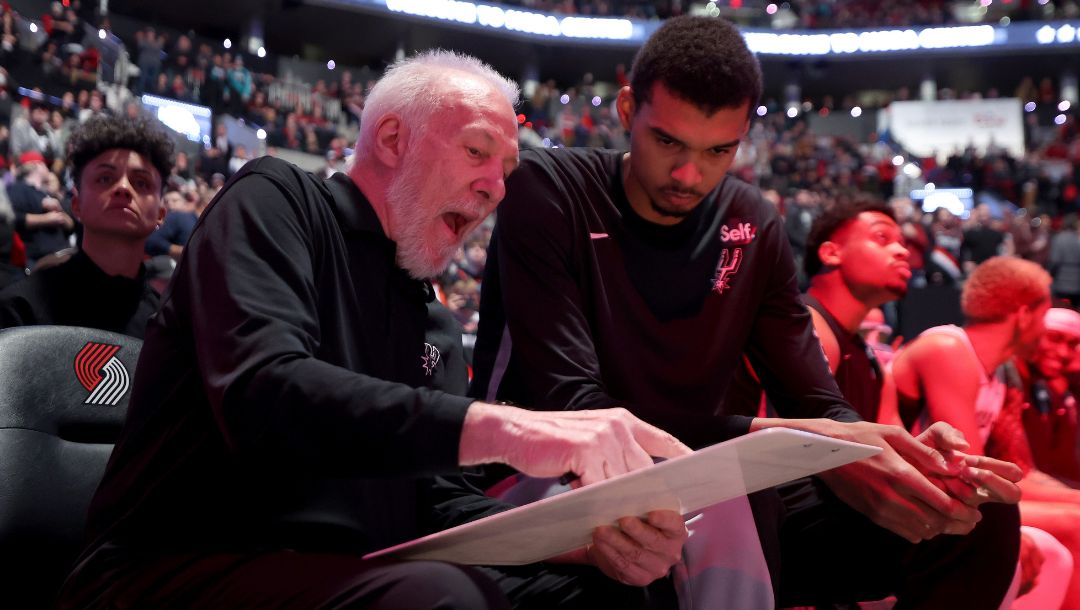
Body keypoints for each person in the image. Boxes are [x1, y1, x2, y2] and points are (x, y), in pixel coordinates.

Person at [57, 51, 692, 610]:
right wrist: (517, 430)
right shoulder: (275, 201)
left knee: (612, 591)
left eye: (507, 168)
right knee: (442, 597)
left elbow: (440, 507)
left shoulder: (431, 316)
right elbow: (263, 396)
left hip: (348, 575)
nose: (497, 188)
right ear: (391, 138)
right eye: (477, 152)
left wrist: (588, 543)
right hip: (170, 567)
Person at [471, 16, 1021, 609]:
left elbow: (817, 402)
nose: (689, 174)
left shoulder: (751, 219)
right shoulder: (550, 188)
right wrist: (795, 436)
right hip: (547, 470)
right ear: (628, 109)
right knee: (725, 499)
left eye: (718, 151)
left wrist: (881, 457)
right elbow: (574, 405)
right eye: (668, 142)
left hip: (709, 474)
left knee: (973, 513)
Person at [804, 202, 1069, 609]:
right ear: (830, 252)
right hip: (803, 513)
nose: (903, 251)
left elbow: (892, 446)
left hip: (859, 505)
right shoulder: (811, 329)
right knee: (1001, 525)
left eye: (901, 241)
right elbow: (783, 447)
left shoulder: (872, 359)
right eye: (882, 238)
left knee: (1003, 524)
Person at [891, 257, 1080, 610]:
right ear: (1025, 314)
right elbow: (968, 471)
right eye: (1044, 316)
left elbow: (1019, 468)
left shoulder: (1002, 374)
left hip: (952, 496)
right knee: (1073, 527)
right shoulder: (948, 348)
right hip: (909, 501)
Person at [0, 115, 168, 337]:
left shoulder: (170, 329)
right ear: (76, 205)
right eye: (105, 178)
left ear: (160, 214)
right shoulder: (20, 309)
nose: (124, 188)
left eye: (141, 182)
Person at [6, 150, 74, 267]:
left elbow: (71, 226)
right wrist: (46, 219)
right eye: (45, 164)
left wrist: (60, 213)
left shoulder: (47, 193)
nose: (48, 168)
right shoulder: (18, 189)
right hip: (43, 261)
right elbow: (13, 218)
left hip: (66, 253)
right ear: (37, 165)